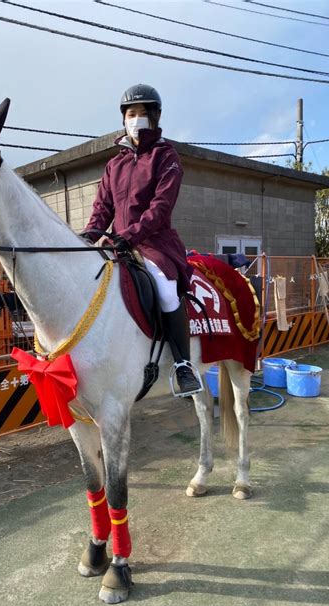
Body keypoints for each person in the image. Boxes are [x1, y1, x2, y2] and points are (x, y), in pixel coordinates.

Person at [81, 84, 203, 395]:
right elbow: (102, 208)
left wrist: (128, 235)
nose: (135, 120)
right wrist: (89, 235)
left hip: (155, 242)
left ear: (155, 117)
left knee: (163, 284)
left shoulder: (166, 157)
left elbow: (160, 208)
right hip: (118, 244)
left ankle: (182, 365)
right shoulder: (115, 164)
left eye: (142, 114)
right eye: (130, 114)